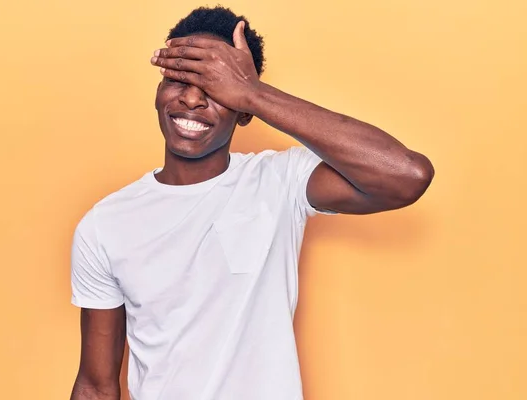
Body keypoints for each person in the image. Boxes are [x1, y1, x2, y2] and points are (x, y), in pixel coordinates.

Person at [69, 6, 434, 400]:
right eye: (180, 80)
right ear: (159, 91)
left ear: (245, 112)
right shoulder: (106, 224)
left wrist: (252, 92)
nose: (192, 99)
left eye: (214, 87)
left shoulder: (280, 181)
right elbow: (96, 385)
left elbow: (407, 176)